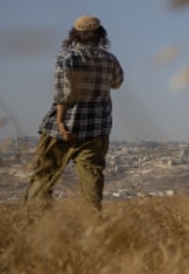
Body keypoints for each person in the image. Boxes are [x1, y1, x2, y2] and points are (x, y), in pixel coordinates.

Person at [24, 15, 124, 211]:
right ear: (100, 35)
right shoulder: (110, 59)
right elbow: (117, 83)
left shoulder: (66, 58)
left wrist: (61, 123)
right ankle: (91, 224)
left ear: (75, 35)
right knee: (92, 181)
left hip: (62, 130)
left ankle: (35, 223)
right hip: (96, 129)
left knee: (44, 178)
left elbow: (63, 94)